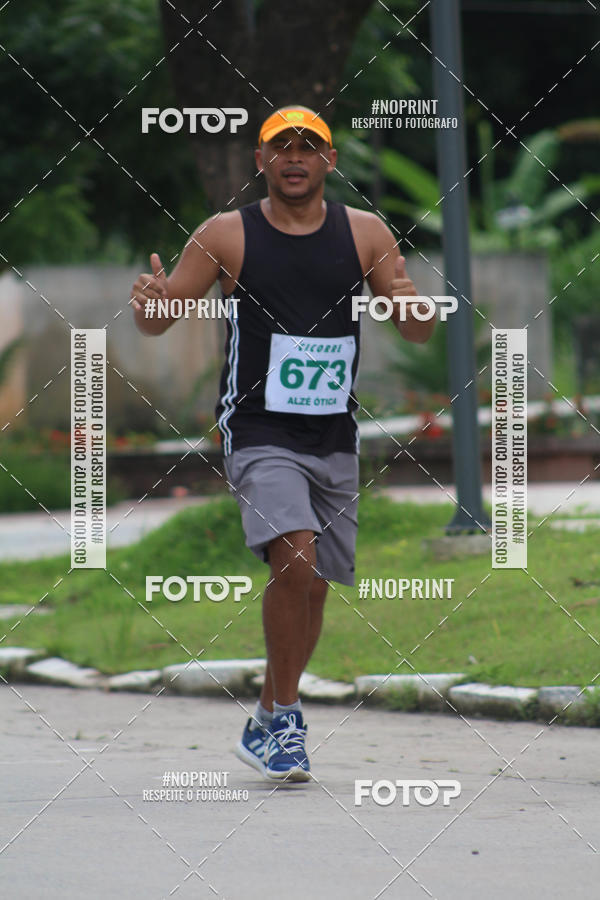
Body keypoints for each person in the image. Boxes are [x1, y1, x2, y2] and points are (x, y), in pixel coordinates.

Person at [131, 105, 435, 782]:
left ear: (329, 161)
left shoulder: (365, 232)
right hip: (258, 426)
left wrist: (415, 306)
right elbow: (161, 316)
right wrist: (150, 301)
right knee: (293, 561)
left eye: (309, 146)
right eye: (281, 147)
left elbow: (413, 325)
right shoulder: (226, 235)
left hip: (333, 429)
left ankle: (268, 715)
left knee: (317, 583)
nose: (294, 157)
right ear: (261, 161)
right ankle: (291, 721)